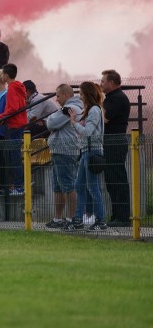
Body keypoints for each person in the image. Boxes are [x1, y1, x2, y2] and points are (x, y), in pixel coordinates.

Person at [66, 81, 107, 231]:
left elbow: (88, 131)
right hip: (86, 151)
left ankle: (101, 220)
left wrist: (73, 123)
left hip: (92, 151)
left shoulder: (94, 110)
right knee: (80, 186)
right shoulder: (90, 110)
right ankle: (78, 219)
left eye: (82, 94)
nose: (80, 97)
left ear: (88, 94)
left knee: (93, 187)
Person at [44, 84, 83, 228]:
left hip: (65, 152)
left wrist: (51, 119)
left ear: (66, 95)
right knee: (58, 187)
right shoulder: (66, 109)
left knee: (67, 185)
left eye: (58, 96)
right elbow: (52, 121)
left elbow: (51, 123)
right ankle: (58, 219)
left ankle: (72, 219)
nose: (56, 99)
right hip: (59, 150)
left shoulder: (70, 109)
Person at [100, 69, 131, 225]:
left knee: (117, 181)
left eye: (103, 81)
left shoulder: (117, 98)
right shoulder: (111, 97)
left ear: (112, 82)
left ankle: (123, 218)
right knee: (111, 181)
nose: (101, 84)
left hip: (115, 143)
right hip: (109, 143)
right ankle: (116, 216)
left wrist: (96, 102)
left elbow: (104, 118)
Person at [0, 64, 28, 196]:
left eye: (2, 74)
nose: (1, 76)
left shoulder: (12, 88)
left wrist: (1, 117)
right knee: (13, 156)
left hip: (14, 125)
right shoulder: (18, 87)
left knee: (13, 157)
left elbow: (13, 108)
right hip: (18, 124)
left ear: (6, 75)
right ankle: (18, 184)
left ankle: (19, 186)